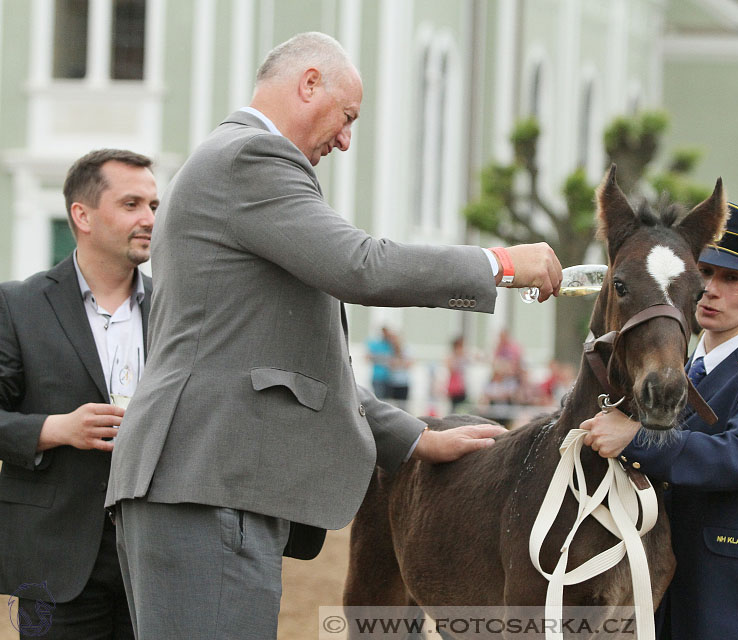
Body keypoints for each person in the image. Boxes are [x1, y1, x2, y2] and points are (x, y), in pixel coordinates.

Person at [104, 32, 561, 640]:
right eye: (347, 117)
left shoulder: (232, 164)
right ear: (309, 82)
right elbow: (360, 265)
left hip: (204, 480)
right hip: (206, 482)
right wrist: (500, 265)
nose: (346, 139)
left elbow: (290, 362)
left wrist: (415, 438)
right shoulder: (251, 158)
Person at [580, 203, 738, 640]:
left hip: (734, 597)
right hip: (651, 587)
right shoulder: (660, 366)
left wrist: (634, 439)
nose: (710, 290)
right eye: (703, 272)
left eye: (731, 278)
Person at [0, 149, 158, 639]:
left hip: (157, 559)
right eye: (132, 204)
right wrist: (55, 429)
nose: (149, 218)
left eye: (154, 205)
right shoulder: (17, 304)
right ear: (82, 215)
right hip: (54, 561)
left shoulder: (178, 308)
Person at [366, 326, 394, 399]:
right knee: (379, 398)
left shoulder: (390, 344)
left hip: (389, 377)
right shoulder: (375, 344)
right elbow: (368, 357)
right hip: (377, 377)